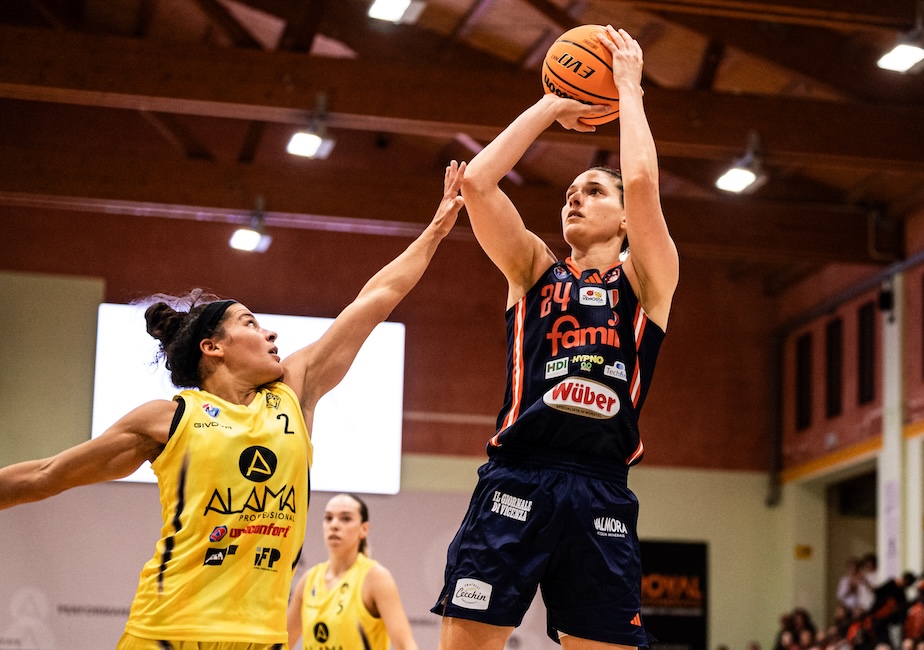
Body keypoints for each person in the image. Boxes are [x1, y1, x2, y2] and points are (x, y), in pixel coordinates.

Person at [0, 162, 465, 647]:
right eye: (251, 324)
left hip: (259, 639)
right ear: (212, 347)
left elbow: (377, 298)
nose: (271, 332)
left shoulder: (294, 390)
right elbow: (44, 475)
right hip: (166, 632)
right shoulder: (170, 418)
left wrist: (436, 229)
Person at [431, 25, 678, 650]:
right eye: (569, 193)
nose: (574, 198)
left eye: (593, 191)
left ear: (624, 219)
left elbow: (644, 182)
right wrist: (552, 102)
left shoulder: (649, 280)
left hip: (601, 483)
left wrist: (628, 90)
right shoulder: (533, 269)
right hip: (519, 474)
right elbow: (479, 183)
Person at [287, 493, 418, 650]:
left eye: (346, 518)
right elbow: (281, 644)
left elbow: (405, 645)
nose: (334, 525)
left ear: (364, 529)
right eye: (328, 518)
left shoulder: (375, 577)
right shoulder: (309, 580)